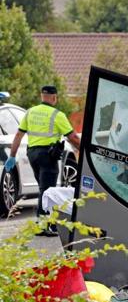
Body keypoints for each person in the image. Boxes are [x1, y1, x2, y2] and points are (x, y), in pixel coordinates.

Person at [4, 86, 81, 236]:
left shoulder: (30, 112)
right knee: (47, 190)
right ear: (54, 98)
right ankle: (44, 225)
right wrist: (85, 151)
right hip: (47, 155)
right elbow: (73, 137)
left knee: (43, 188)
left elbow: (18, 136)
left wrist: (12, 156)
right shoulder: (57, 115)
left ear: (42, 96)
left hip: (32, 155)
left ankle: (45, 223)